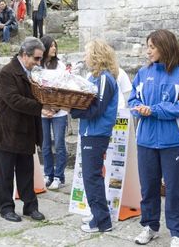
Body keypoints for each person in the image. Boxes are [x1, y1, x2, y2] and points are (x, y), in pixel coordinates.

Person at [128, 29, 179, 247]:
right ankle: (151, 227)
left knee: (174, 189)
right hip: (145, 141)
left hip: (172, 141)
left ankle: (178, 233)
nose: (148, 51)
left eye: (152, 47)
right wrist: (139, 109)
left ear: (165, 47)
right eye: (148, 47)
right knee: (148, 187)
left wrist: (153, 110)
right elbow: (132, 100)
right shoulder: (142, 74)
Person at [0, 37, 46, 222]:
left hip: (25, 131)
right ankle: (6, 208)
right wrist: (42, 107)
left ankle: (30, 206)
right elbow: (14, 100)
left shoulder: (33, 73)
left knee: (26, 172)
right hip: (8, 131)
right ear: (24, 55)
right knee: (6, 174)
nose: (38, 63)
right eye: (36, 59)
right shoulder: (8, 72)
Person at [69, 39, 118, 233]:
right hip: (89, 131)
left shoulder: (105, 78)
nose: (84, 57)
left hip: (97, 133)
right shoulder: (93, 77)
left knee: (92, 177)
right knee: (90, 176)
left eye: (87, 53)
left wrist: (72, 110)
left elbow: (97, 108)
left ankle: (102, 222)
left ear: (97, 55)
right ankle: (97, 212)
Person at [39, 35, 68, 190]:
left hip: (59, 111)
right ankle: (48, 174)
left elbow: (64, 88)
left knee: (59, 143)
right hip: (43, 110)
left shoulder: (61, 66)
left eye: (55, 46)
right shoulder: (38, 66)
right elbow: (35, 89)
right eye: (51, 46)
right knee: (45, 145)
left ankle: (59, 176)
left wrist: (56, 107)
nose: (54, 49)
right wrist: (44, 107)